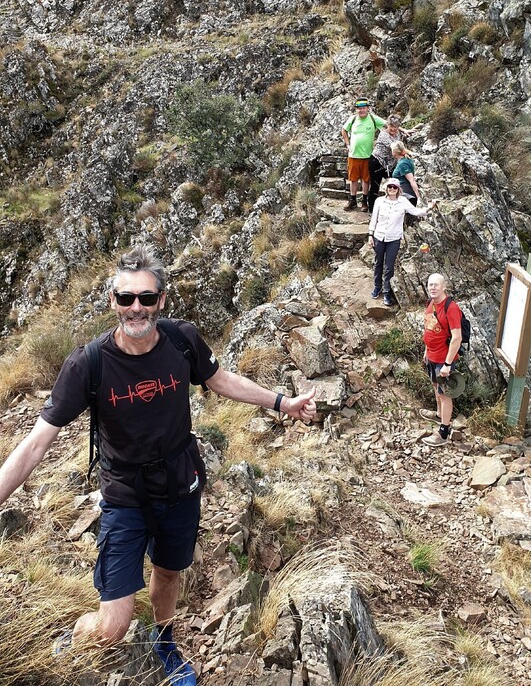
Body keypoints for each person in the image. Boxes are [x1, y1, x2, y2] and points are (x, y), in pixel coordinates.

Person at [0, 244, 316, 685]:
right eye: (126, 297)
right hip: (125, 496)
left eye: (146, 297)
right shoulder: (89, 364)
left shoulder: (181, 340)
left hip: (180, 484)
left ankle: (164, 642)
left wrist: (283, 402)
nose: (137, 307)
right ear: (113, 300)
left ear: (161, 299)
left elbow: (220, 380)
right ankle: (75, 639)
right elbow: (36, 444)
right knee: (111, 627)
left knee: (169, 572)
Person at [368, 178, 430, 307]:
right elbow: (374, 218)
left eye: (394, 187)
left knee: (389, 266)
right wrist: (370, 235)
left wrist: (429, 208)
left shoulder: (403, 201)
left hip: (394, 238)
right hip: (379, 236)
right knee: (378, 262)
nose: (392, 189)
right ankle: (377, 286)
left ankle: (387, 292)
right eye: (389, 187)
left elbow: (415, 211)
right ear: (386, 188)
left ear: (398, 189)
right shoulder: (379, 201)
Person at [420, 273, 463, 447]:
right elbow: (429, 327)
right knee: (435, 386)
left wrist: (447, 364)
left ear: (444, 287)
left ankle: (443, 432)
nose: (433, 288)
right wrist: (426, 350)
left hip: (443, 359)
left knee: (444, 395)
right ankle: (438, 414)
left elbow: (457, 338)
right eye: (430, 285)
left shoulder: (451, 308)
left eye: (436, 285)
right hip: (432, 356)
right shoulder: (431, 303)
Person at [341, 97, 386, 212]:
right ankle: (352, 200)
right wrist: (347, 144)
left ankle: (364, 201)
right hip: (353, 155)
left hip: (367, 156)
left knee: (366, 179)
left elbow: (388, 125)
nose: (361, 110)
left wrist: (403, 130)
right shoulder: (352, 119)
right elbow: (344, 130)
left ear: (368, 108)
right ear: (356, 109)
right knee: (353, 179)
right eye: (359, 108)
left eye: (363, 108)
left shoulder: (373, 119)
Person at [367, 114, 412, 216]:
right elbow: (396, 147)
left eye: (396, 127)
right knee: (375, 186)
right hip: (377, 162)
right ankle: (372, 211)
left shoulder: (397, 133)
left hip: (390, 164)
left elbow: (399, 135)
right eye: (391, 126)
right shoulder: (383, 135)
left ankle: (394, 208)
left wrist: (404, 131)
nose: (393, 129)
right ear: (387, 125)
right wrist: (410, 153)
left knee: (396, 184)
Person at [391, 141, 421, 206]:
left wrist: (418, 197)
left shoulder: (403, 164)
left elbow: (412, 180)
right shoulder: (404, 160)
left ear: (394, 152)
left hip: (406, 194)